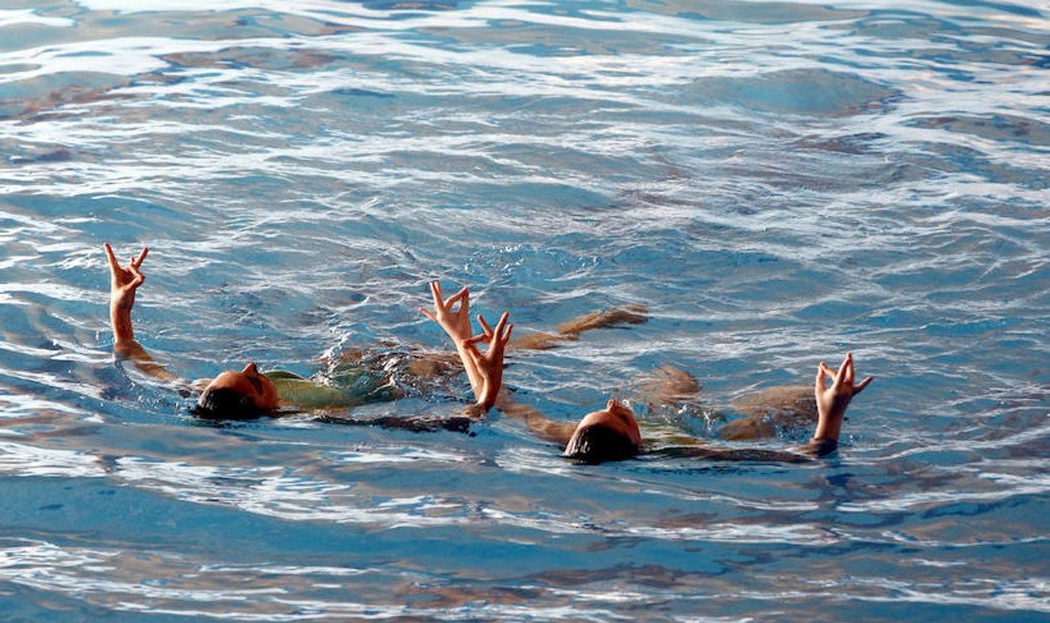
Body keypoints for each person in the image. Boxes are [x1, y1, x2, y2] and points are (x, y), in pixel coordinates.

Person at [106, 244, 640, 424]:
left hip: (357, 361)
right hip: (401, 381)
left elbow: (133, 356)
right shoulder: (318, 419)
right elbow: (469, 416)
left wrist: (120, 307)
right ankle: (588, 324)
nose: (252, 367)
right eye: (256, 382)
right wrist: (487, 379)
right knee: (514, 347)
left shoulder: (204, 395)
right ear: (268, 409)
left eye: (245, 370)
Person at [420, 285, 874, 463]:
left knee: (678, 378)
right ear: (638, 443)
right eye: (619, 417)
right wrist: (829, 412)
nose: (616, 405)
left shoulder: (560, 434)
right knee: (795, 397)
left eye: (599, 412)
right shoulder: (681, 453)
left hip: (665, 413)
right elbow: (806, 455)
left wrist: (460, 339)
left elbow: (498, 403)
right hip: (711, 431)